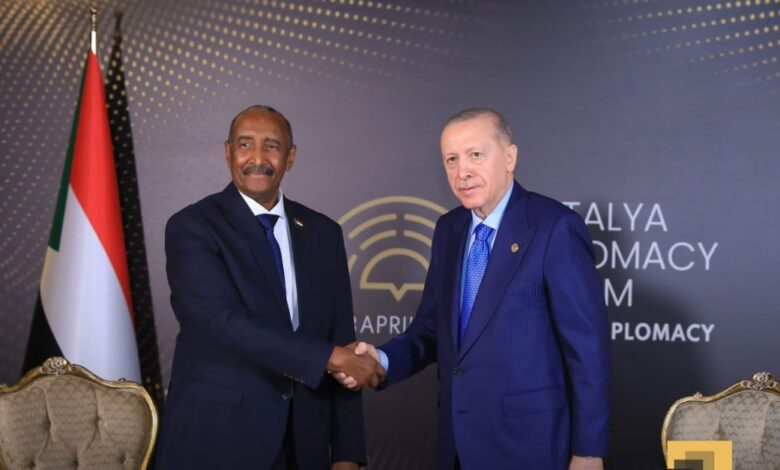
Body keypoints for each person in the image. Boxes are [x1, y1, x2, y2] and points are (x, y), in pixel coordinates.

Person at [337, 108, 611, 469]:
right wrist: (381, 360)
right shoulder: (448, 229)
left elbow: (587, 350)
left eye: (475, 155)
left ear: (510, 157)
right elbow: (431, 328)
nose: (462, 171)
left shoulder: (554, 227)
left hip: (532, 448)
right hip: (456, 447)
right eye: (451, 159)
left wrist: (589, 452)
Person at [156, 105, 384, 470]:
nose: (258, 158)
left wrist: (347, 453)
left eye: (272, 146)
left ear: (290, 157)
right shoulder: (193, 227)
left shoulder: (324, 233)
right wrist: (329, 357)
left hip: (305, 444)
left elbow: (342, 339)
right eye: (245, 144)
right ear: (228, 151)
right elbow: (222, 322)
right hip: (219, 441)